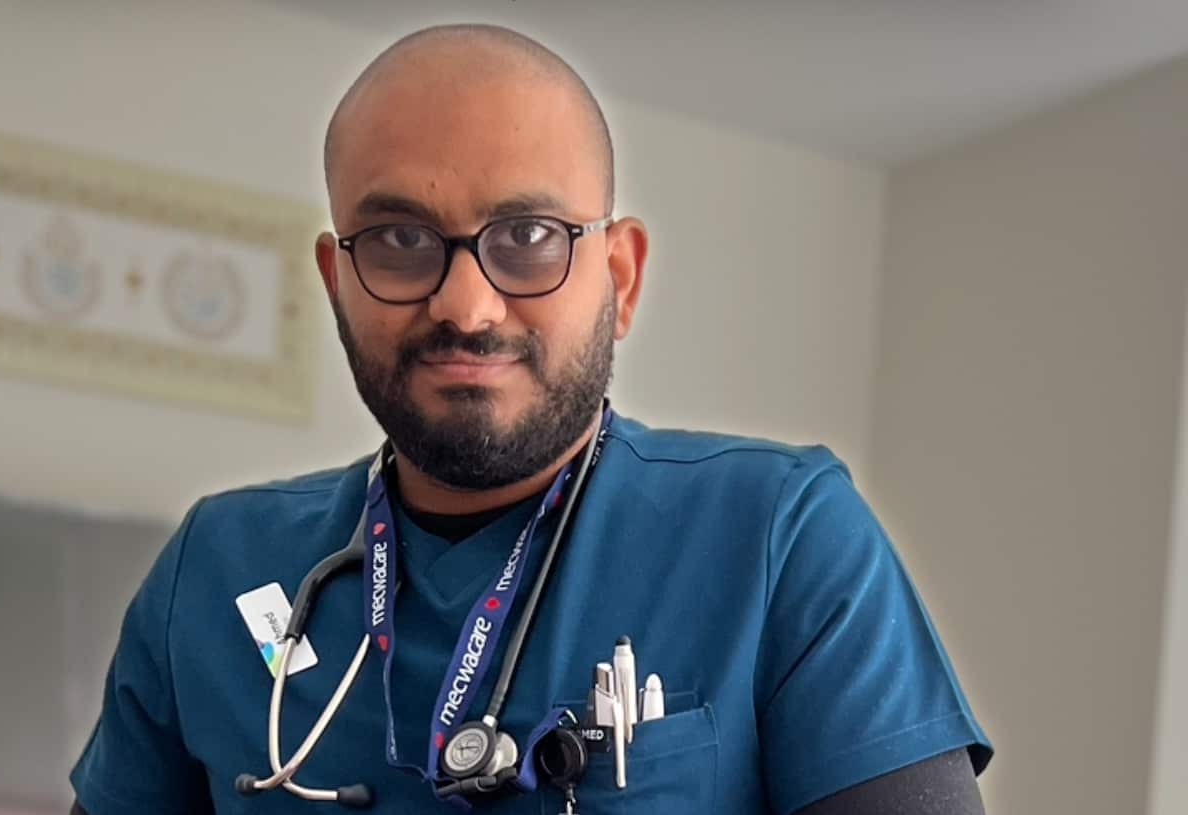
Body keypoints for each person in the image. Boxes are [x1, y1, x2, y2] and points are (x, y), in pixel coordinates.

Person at [69, 23, 992, 815]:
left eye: (528, 238)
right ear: (335, 281)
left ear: (620, 279)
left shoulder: (780, 537)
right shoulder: (217, 569)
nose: (466, 305)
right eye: (399, 242)